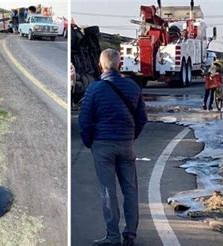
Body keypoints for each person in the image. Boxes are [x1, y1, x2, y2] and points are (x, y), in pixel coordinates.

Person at [79, 49, 147, 246]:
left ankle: (113, 236)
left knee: (108, 191)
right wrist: (130, 137)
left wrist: (89, 142)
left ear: (101, 65)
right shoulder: (133, 87)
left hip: (102, 145)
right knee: (130, 189)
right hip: (126, 144)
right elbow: (142, 118)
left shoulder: (94, 88)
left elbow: (85, 120)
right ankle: (131, 234)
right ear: (121, 64)